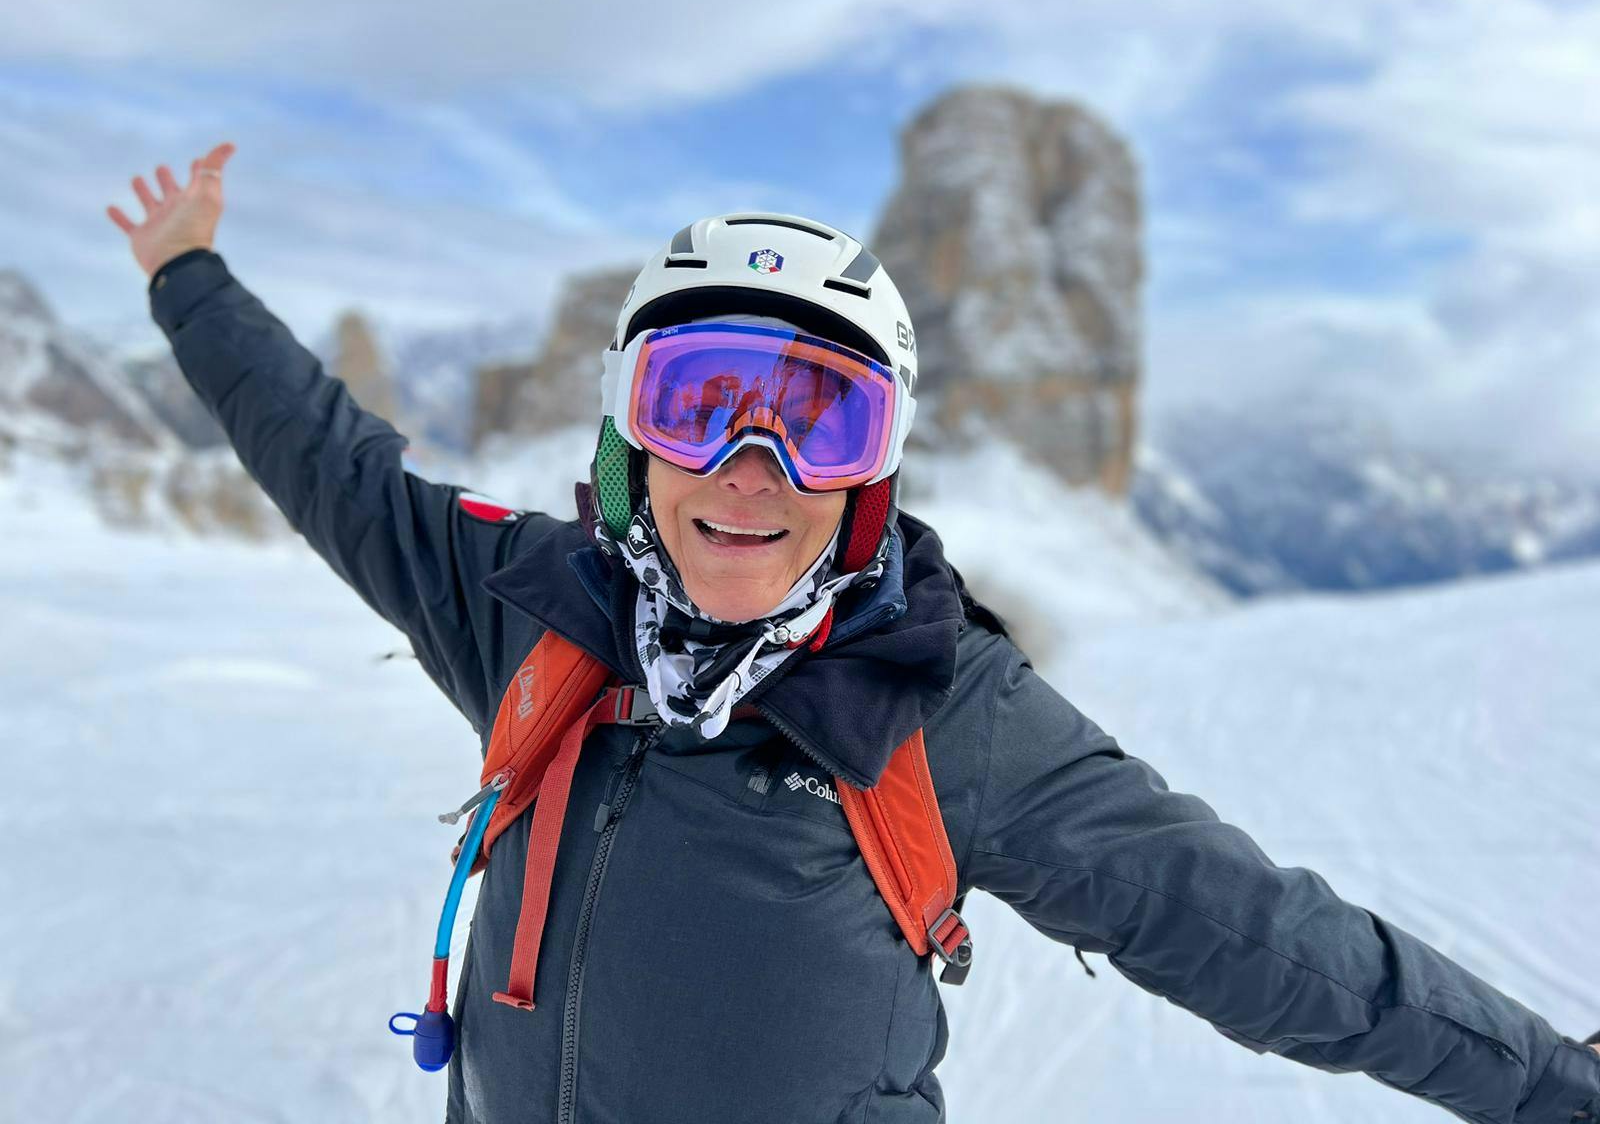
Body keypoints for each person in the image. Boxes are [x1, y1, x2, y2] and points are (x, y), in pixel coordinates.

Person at [108, 144, 1600, 1124]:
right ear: (631, 439)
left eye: (822, 419)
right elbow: (329, 459)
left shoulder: (940, 710)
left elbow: (1260, 936)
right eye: (699, 403)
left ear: (874, 475)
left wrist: (1555, 1093)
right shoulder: (530, 613)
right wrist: (189, 276)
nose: (754, 465)